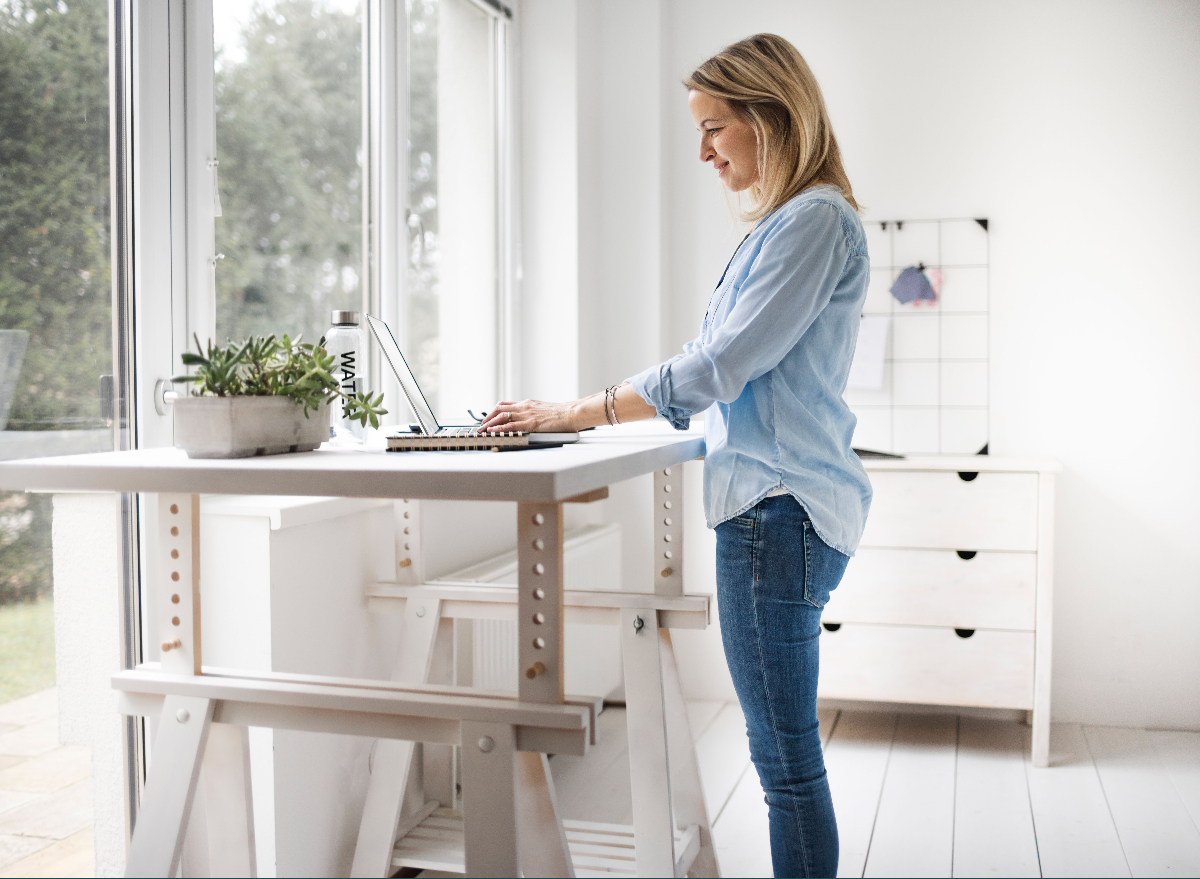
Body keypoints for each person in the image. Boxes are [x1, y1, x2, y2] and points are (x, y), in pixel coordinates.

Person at [482, 32, 870, 879]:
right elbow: (732, 372)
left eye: (715, 128)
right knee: (785, 758)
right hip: (781, 507)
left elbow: (720, 364)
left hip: (779, 511)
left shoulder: (812, 221)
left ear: (772, 116)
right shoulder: (796, 223)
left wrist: (580, 411)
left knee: (784, 767)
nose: (702, 152)